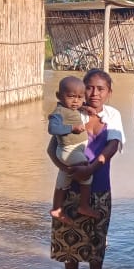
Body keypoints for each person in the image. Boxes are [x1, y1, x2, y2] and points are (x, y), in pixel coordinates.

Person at [50, 69, 124, 269]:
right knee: (68, 250)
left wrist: (90, 169)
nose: (94, 93)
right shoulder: (70, 112)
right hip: (69, 189)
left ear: (109, 92)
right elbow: (52, 147)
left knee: (96, 248)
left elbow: (112, 146)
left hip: (99, 188)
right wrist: (67, 170)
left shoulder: (112, 115)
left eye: (100, 89)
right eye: (89, 87)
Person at [48, 76, 100, 225]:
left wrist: (86, 107)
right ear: (59, 96)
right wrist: (72, 128)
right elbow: (52, 128)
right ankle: (83, 206)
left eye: (79, 97)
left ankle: (57, 209)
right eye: (71, 97)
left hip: (69, 151)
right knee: (86, 170)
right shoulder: (58, 112)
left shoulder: (73, 107)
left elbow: (78, 106)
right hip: (68, 150)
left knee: (63, 180)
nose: (76, 101)